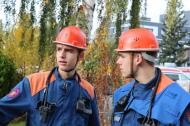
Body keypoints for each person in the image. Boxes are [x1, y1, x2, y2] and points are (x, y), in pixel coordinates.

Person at [0, 26, 100, 126]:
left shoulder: (88, 91)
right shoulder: (33, 83)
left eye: (69, 50)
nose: (62, 55)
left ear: (81, 55)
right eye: (59, 49)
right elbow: (3, 110)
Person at [112, 28, 190, 126]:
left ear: (138, 58)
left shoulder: (179, 101)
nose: (118, 61)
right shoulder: (120, 95)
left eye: (122, 56)